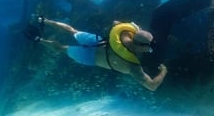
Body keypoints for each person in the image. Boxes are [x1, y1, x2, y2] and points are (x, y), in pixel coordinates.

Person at [24, 17, 167, 91]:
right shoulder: (132, 66)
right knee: (62, 48)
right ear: (141, 45)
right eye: (149, 46)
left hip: (97, 43)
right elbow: (152, 86)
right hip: (91, 58)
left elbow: (115, 22)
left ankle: (44, 20)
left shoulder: (126, 32)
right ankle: (38, 39)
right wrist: (164, 71)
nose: (150, 48)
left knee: (72, 31)